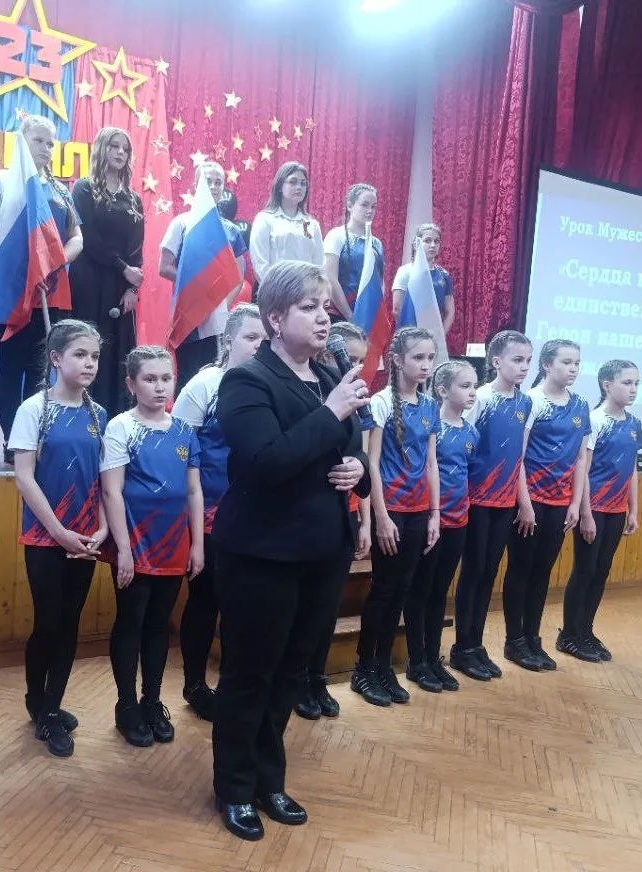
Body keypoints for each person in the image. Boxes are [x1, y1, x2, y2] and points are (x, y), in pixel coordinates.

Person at [210, 261, 370, 841]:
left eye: (325, 306)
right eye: (309, 307)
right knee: (250, 674)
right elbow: (265, 463)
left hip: (322, 551)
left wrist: (358, 470)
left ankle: (268, 780)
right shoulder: (247, 381)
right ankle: (234, 788)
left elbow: (350, 452)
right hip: (262, 553)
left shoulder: (328, 376)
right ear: (275, 319)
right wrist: (332, 414)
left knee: (292, 673)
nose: (324, 317)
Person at [6, 320, 108, 758]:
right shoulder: (34, 409)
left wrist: (101, 528)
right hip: (46, 537)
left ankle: (51, 707)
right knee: (48, 623)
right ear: (55, 358)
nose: (89, 363)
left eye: (95, 356)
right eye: (80, 354)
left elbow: (105, 481)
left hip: (84, 540)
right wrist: (58, 532)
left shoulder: (99, 415)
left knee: (70, 624)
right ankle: (36, 702)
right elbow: (24, 478)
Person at [101, 346, 205, 747]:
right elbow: (112, 492)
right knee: (131, 621)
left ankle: (152, 701)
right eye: (149, 379)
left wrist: (197, 545)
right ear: (131, 384)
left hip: (174, 544)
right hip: (135, 545)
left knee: (161, 624)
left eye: (166, 378)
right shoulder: (121, 427)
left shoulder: (184, 431)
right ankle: (126, 706)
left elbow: (193, 491)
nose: (160, 386)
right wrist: (124, 550)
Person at [173, 304, 265, 722]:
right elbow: (177, 451)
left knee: (244, 607)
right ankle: (195, 684)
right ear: (228, 340)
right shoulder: (204, 385)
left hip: (256, 516)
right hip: (209, 516)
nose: (259, 345)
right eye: (251, 337)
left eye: (265, 338)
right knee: (205, 601)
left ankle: (234, 686)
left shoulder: (270, 384)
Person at [352, 327, 440, 707]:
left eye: (430, 358)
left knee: (402, 589)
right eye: (418, 357)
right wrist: (381, 517)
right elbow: (371, 463)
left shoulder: (431, 405)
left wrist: (435, 513)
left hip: (420, 511)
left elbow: (432, 464)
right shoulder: (381, 403)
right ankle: (363, 668)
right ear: (398, 360)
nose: (425, 365)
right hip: (391, 510)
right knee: (383, 590)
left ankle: (384, 666)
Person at [0, 115, 83, 466]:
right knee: (9, 366)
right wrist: (25, 269)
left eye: (50, 143)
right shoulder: (1, 181)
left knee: (41, 369)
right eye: (38, 141)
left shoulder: (60, 190)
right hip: (13, 290)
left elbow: (77, 237)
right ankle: (10, 439)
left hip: (52, 289)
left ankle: (31, 439)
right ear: (22, 140)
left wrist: (54, 263)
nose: (45, 148)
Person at [501, 339, 591, 672]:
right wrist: (524, 503)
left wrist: (576, 503)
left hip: (560, 502)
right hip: (531, 499)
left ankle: (533, 637)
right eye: (566, 362)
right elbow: (519, 455)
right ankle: (514, 641)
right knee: (521, 570)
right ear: (547, 365)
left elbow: (580, 459)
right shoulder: (531, 401)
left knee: (542, 572)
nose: (573, 369)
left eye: (577, 363)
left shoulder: (581, 405)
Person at [297, 321, 371, 720]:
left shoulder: (357, 398)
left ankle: (317, 677)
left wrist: (358, 466)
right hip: (305, 517)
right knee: (304, 610)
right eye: (349, 359)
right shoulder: (310, 392)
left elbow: (360, 453)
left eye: (360, 360)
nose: (354, 367)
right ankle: (296, 681)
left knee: (327, 609)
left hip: (343, 516)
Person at [449, 330, 533, 681]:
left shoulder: (525, 403)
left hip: (505, 501)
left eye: (528, 361)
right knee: (473, 571)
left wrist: (524, 502)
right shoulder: (480, 398)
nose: (524, 367)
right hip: (476, 499)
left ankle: (476, 643)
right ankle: (461, 648)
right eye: (517, 360)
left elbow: (519, 457)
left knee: (489, 573)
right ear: (496, 362)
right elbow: (460, 444)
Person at [403, 360, 479, 693]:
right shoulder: (433, 427)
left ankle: (434, 658)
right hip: (431, 520)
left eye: (474, 386)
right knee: (420, 591)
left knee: (439, 592)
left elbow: (466, 473)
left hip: (459, 521)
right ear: (442, 389)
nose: (472, 392)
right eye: (465, 386)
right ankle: (416, 660)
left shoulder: (471, 432)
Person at [558, 360, 642, 663]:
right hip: (594, 508)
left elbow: (632, 469)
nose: (633, 389)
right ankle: (569, 635)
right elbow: (583, 469)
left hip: (617, 510)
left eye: (636, 383)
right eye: (626, 383)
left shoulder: (634, 424)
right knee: (585, 570)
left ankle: (586, 631)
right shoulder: (594, 421)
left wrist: (633, 510)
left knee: (601, 571)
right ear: (607, 385)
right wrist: (586, 513)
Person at [70, 127, 145, 417]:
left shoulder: (134, 199)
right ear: (102, 149)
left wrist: (132, 288)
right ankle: (81, 416)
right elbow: (87, 237)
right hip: (88, 280)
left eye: (125, 149)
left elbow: (136, 248)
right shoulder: (83, 189)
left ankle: (115, 420)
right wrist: (122, 268)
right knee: (86, 347)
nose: (120, 152)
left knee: (119, 352)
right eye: (114, 146)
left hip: (120, 286)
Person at [160, 161, 248, 389]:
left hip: (218, 316)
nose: (214, 186)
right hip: (188, 311)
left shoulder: (232, 230)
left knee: (215, 373)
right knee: (188, 373)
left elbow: (238, 275)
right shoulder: (181, 223)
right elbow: (164, 266)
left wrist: (221, 304)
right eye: (208, 181)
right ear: (195, 185)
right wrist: (197, 288)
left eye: (218, 182)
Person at [248, 162, 324, 290]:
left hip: (306, 293)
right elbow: (260, 263)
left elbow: (318, 263)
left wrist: (310, 292)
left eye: (303, 183)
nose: (299, 187)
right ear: (279, 186)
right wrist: (278, 292)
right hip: (274, 292)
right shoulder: (265, 219)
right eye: (293, 182)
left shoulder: (310, 224)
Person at [322, 184, 384, 323]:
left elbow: (380, 283)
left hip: (368, 315)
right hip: (339, 315)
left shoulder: (377, 243)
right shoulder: (336, 236)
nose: (370, 211)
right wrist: (350, 316)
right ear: (350, 205)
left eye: (373, 206)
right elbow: (330, 278)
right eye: (364, 205)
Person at [391, 223, 455, 333]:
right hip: (408, 335)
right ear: (416, 244)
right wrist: (408, 335)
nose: (433, 245)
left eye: (436, 241)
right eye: (428, 240)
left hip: (433, 335)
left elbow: (450, 311)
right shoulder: (405, 272)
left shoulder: (443, 275)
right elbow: (397, 309)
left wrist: (441, 335)